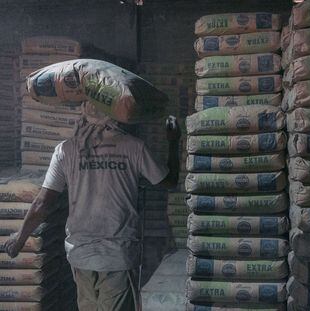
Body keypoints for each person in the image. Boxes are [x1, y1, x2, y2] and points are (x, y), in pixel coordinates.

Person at [4, 103, 181, 311]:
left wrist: (20, 238)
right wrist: (173, 142)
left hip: (81, 256)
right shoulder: (134, 147)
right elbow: (169, 181)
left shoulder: (66, 150)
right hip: (118, 256)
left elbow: (42, 202)